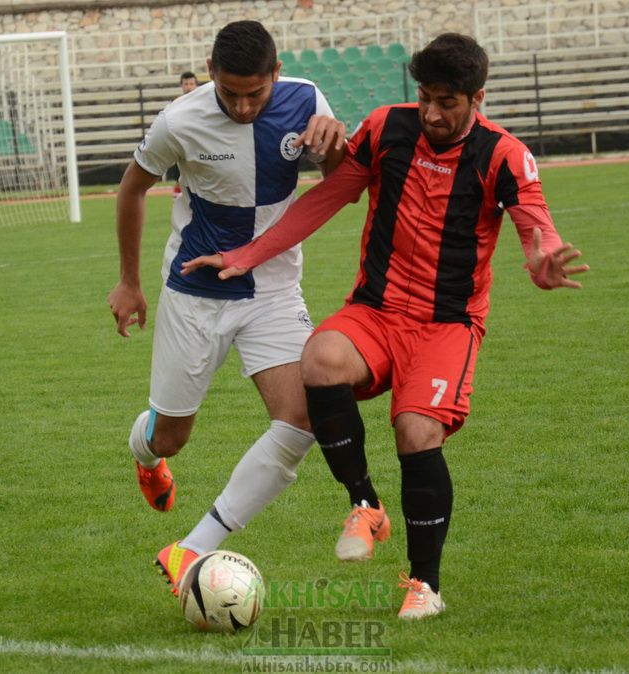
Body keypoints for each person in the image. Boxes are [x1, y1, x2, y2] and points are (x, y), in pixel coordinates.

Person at [181, 33, 589, 619]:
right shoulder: (387, 129)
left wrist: (541, 256)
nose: (431, 113)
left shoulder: (503, 154)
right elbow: (324, 200)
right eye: (424, 97)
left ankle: (425, 584)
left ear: (477, 97)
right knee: (318, 358)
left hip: (447, 325)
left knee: (416, 433)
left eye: (447, 102)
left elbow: (535, 224)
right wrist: (246, 255)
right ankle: (365, 505)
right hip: (375, 310)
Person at [108, 20, 346, 596]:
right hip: (196, 295)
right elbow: (131, 188)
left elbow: (342, 180)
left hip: (273, 290)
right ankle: (146, 455)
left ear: (276, 74)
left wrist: (334, 147)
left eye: (255, 94)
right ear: (211, 72)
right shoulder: (180, 119)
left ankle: (192, 546)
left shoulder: (307, 100)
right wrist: (129, 283)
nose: (242, 106)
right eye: (230, 92)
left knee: (303, 419)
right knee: (171, 437)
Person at [172, 72, 200, 199]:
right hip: (182, 144)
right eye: (186, 84)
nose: (189, 87)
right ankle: (177, 198)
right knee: (180, 175)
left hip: (199, 144)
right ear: (181, 86)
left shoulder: (203, 102)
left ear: (196, 85)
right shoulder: (176, 103)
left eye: (191, 84)